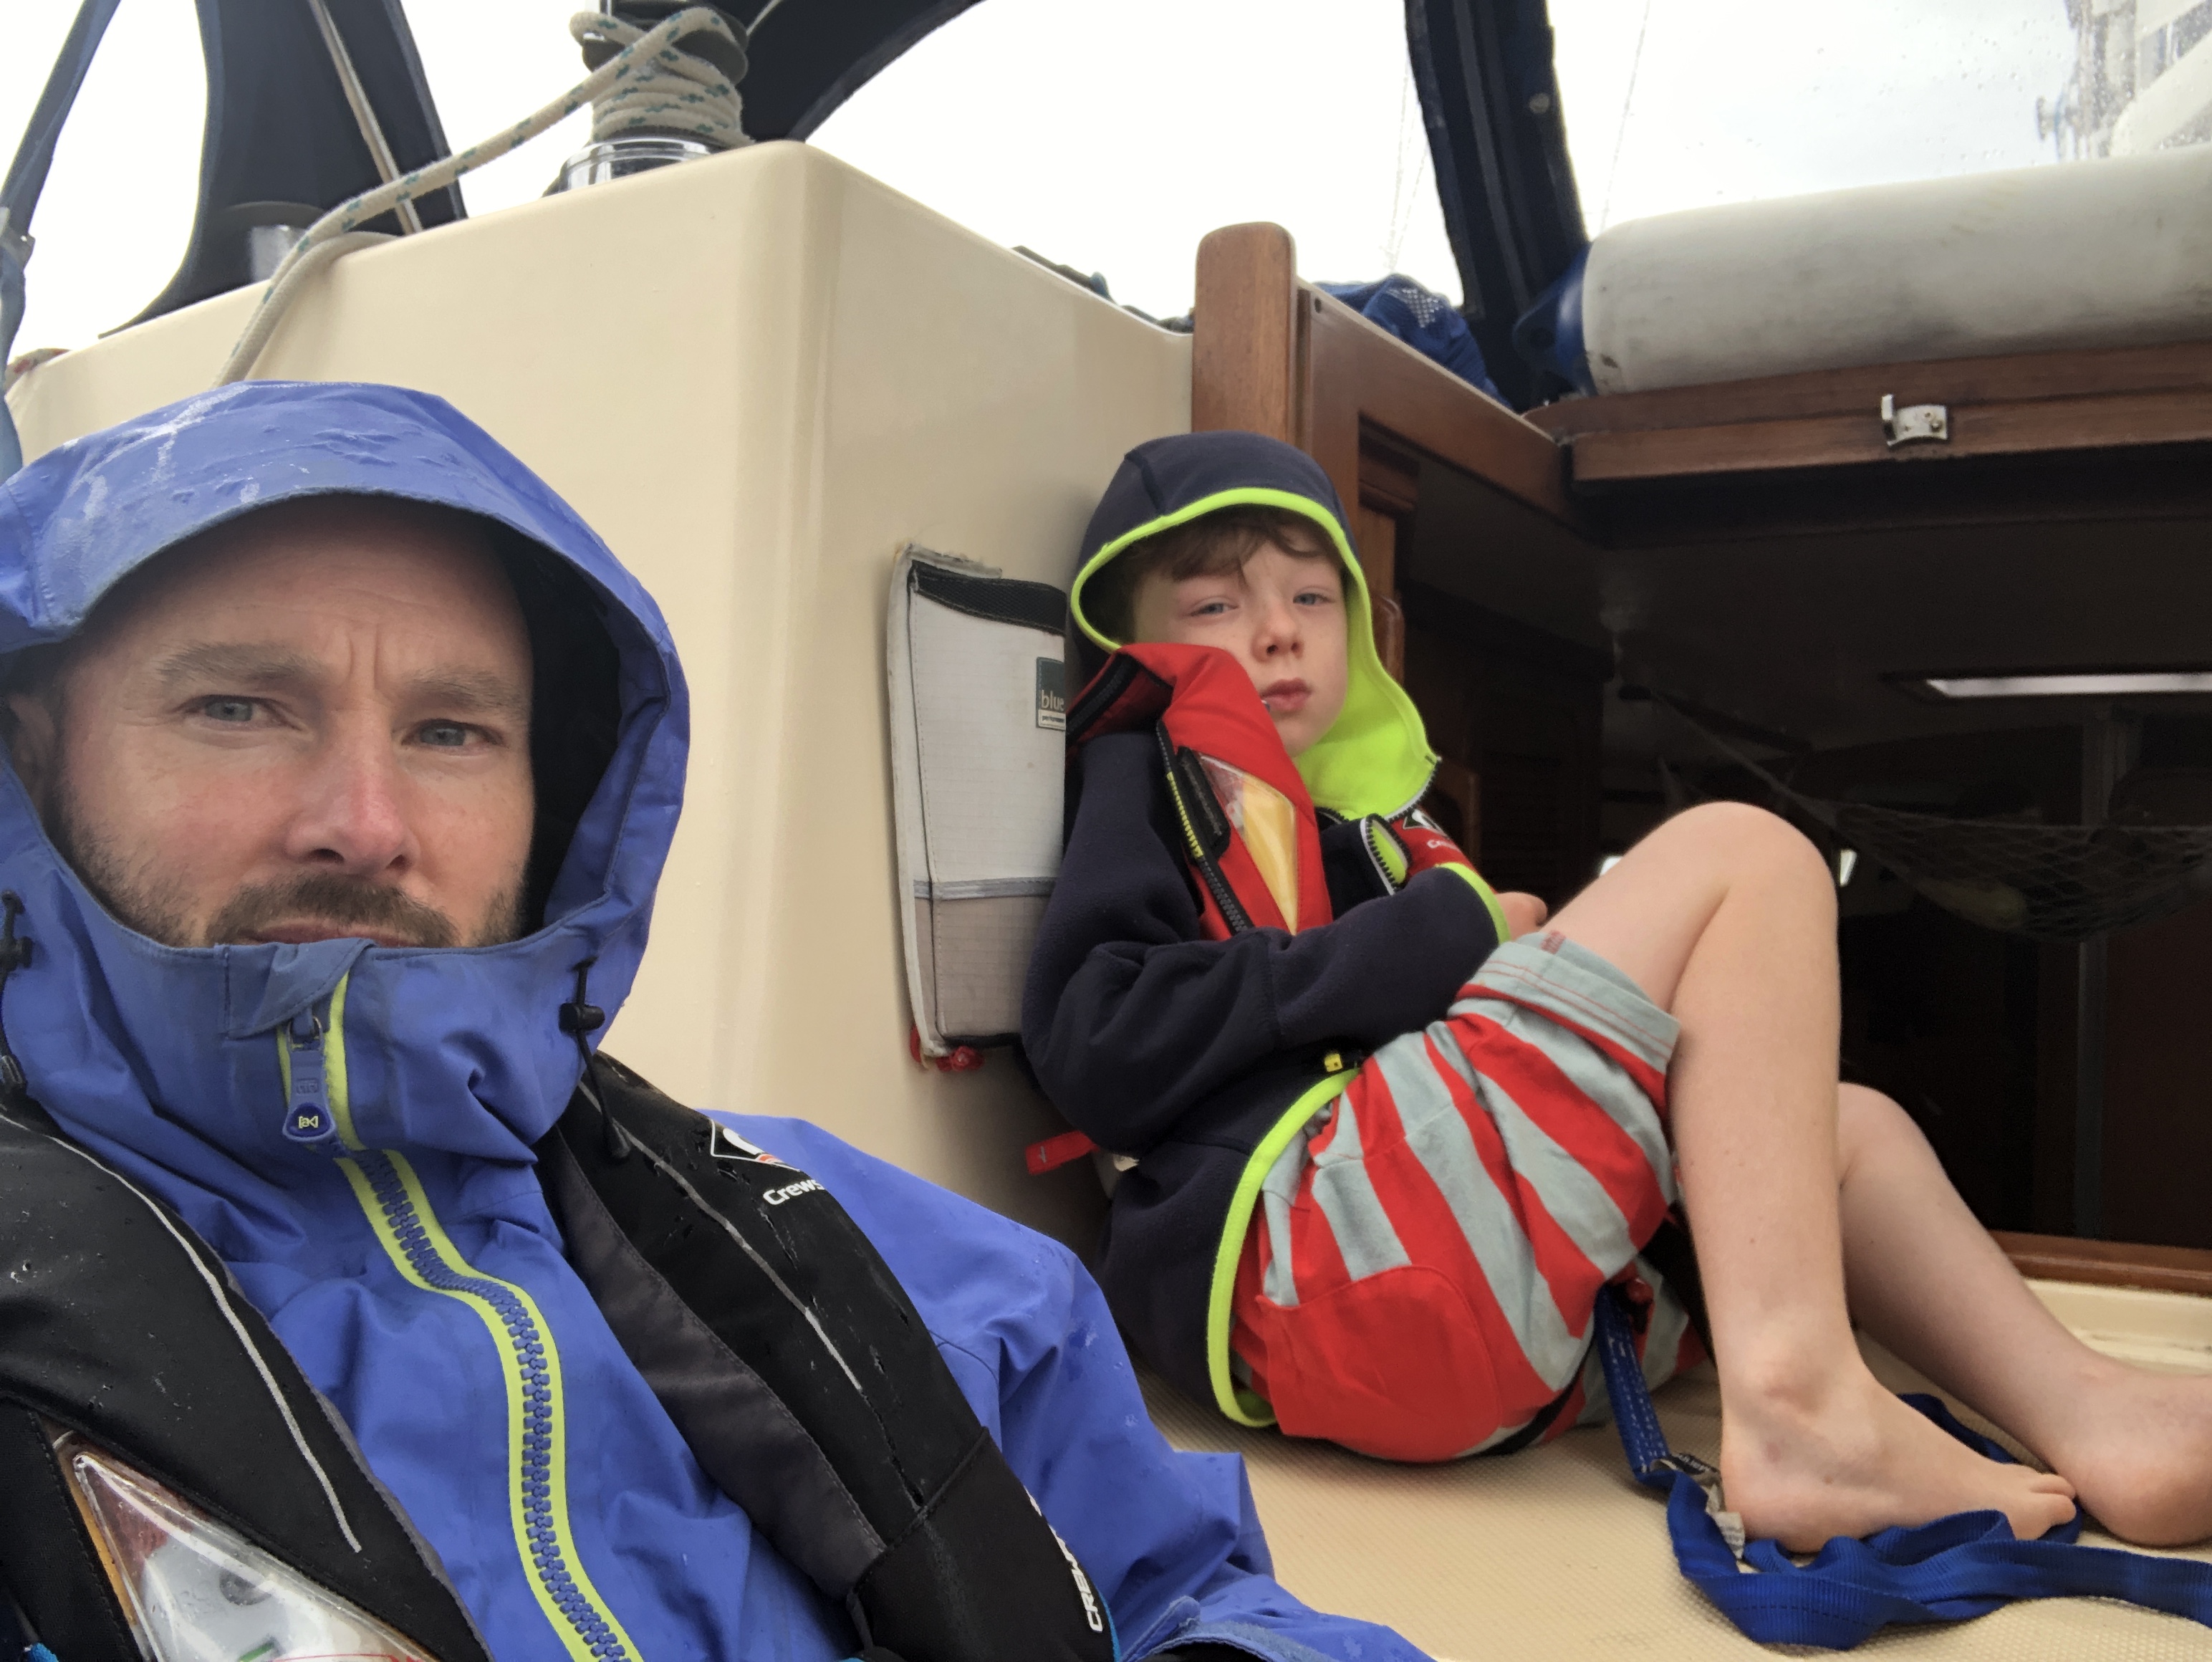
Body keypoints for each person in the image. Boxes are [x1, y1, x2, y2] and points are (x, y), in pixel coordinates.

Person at [0, 382, 1436, 1662]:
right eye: (239, 707)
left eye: (450, 731)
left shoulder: (860, 1244)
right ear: (34, 755)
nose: (365, 823)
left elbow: (1189, 1589)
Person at [1025, 428, 2212, 1555]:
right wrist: (1450, 934)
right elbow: (1096, 1040)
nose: (1279, 632)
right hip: (1319, 1272)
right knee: (1747, 852)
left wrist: (1470, 944)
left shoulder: (1367, 835)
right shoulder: (1144, 778)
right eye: (1216, 606)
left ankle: (2095, 1413)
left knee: (1846, 1131)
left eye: (1311, 596)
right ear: (1132, 642)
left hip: (1467, 1322)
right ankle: (1801, 1408)